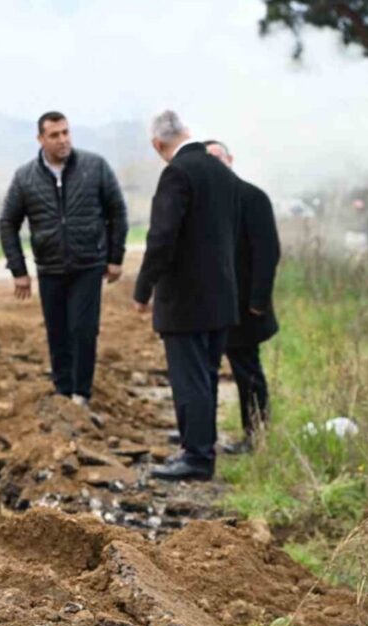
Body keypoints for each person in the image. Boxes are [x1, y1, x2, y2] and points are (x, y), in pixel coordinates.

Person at [134, 110, 239, 482]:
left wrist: (143, 288)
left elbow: (161, 239)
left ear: (158, 144)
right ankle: (201, 446)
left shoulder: (177, 173)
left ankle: (196, 457)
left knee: (189, 378)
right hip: (222, 296)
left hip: (186, 300)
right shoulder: (222, 172)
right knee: (206, 376)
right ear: (188, 132)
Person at [0, 111, 129, 404]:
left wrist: (115, 256)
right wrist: (18, 270)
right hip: (50, 267)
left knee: (83, 330)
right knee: (57, 333)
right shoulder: (25, 177)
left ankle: (81, 395)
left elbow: (117, 211)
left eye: (66, 132)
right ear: (41, 139)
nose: (63, 140)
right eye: (55, 135)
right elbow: (8, 222)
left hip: (88, 264)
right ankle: (62, 393)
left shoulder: (95, 167)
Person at [205, 140, 281, 454]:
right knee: (203, 372)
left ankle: (256, 436)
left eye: (219, 158)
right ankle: (200, 434)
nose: (215, 165)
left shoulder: (252, 197)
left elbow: (268, 252)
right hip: (208, 305)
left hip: (245, 305)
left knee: (247, 372)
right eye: (209, 160)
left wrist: (258, 301)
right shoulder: (204, 202)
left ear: (230, 159)